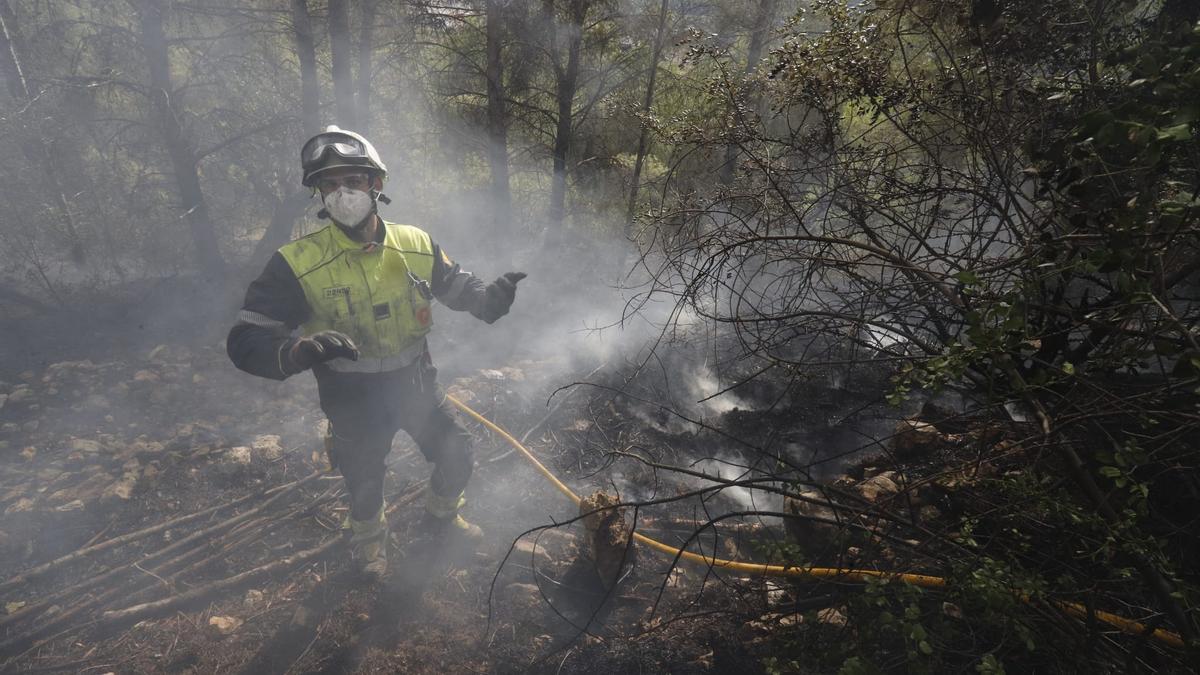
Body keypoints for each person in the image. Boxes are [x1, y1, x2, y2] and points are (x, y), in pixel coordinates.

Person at [226, 125, 524, 579]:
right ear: (318, 194)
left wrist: (490, 302)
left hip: (416, 384)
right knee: (364, 481)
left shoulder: (416, 243)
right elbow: (246, 339)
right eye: (329, 184)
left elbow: (458, 287)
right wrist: (296, 352)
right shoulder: (295, 263)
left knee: (457, 453)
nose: (342, 192)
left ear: (376, 184)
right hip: (351, 396)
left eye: (353, 180)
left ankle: (441, 519)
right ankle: (369, 546)